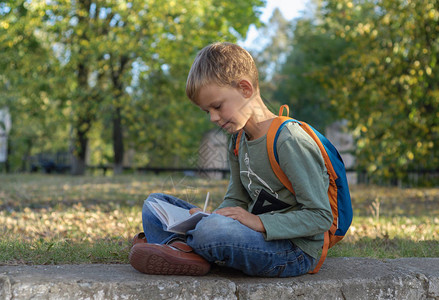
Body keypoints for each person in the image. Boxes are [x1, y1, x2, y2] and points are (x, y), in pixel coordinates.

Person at [129, 42, 333, 277]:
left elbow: (320, 217)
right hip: (250, 233)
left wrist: (258, 223)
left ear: (245, 89)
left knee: (212, 231)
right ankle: (188, 250)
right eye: (207, 111)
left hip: (292, 250)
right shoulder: (237, 140)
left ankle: (181, 247)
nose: (213, 118)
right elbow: (236, 198)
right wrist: (209, 215)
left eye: (217, 106)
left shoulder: (288, 139)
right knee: (154, 205)